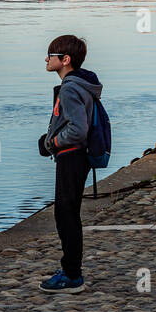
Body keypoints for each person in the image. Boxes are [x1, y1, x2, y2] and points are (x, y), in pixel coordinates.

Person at [37, 34, 104, 293]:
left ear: (65, 60)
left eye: (51, 55)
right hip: (75, 155)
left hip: (72, 155)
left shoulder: (70, 88)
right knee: (67, 213)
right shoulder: (80, 85)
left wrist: (52, 143)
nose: (46, 59)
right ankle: (70, 269)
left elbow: (77, 129)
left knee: (66, 215)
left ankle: (72, 275)